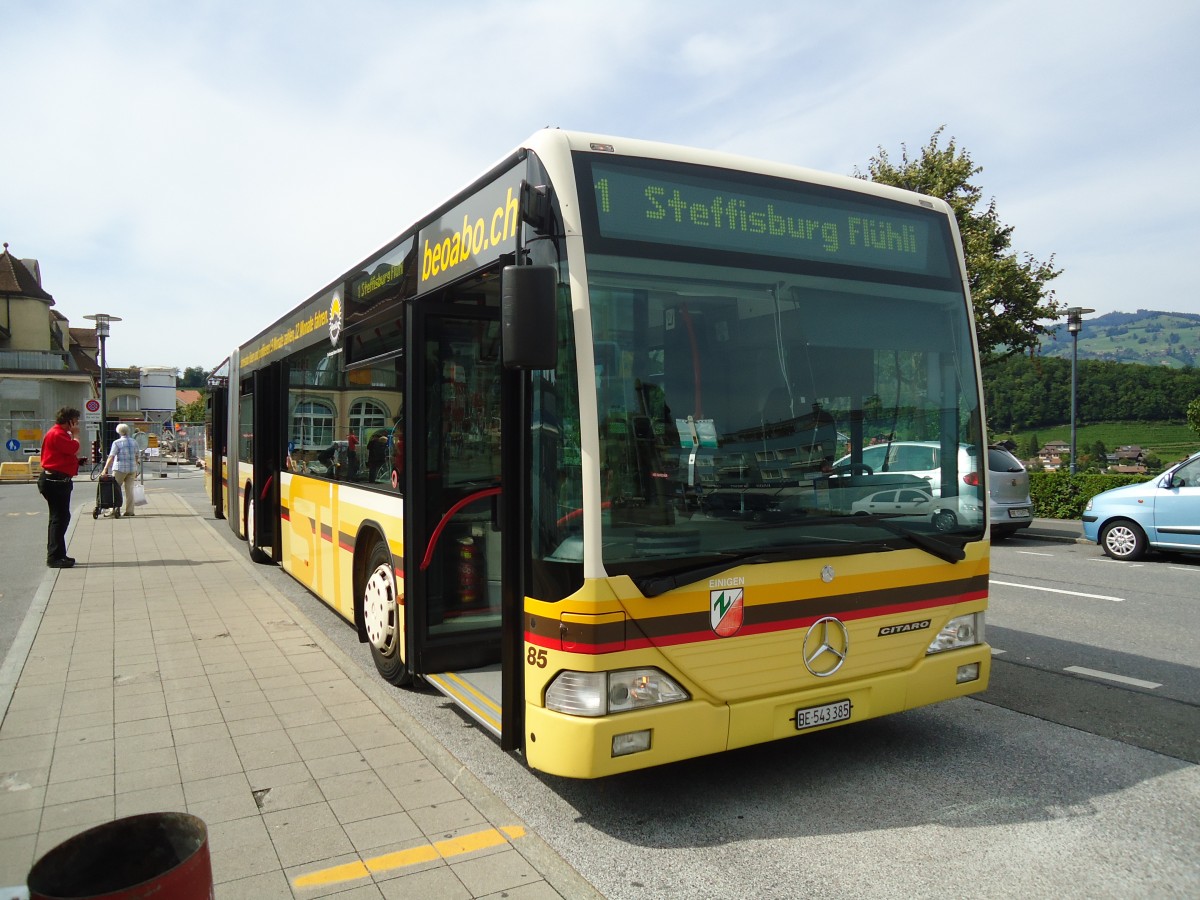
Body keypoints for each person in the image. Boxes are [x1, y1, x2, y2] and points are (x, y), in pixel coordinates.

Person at [38, 407, 82, 568]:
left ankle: (59, 554)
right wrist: (76, 436)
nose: (77, 424)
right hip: (55, 481)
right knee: (59, 518)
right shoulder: (58, 434)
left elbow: (64, 455)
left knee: (60, 518)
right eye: (75, 420)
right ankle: (54, 557)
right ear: (69, 421)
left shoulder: (58, 433)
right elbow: (73, 448)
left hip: (56, 479)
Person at [101, 423, 140, 517]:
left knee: (114, 489)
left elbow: (111, 456)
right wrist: (136, 468)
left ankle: (113, 510)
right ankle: (130, 511)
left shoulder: (117, 442)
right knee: (129, 490)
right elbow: (136, 456)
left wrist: (105, 468)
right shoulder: (134, 442)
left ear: (118, 432)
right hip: (132, 468)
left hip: (120, 468)